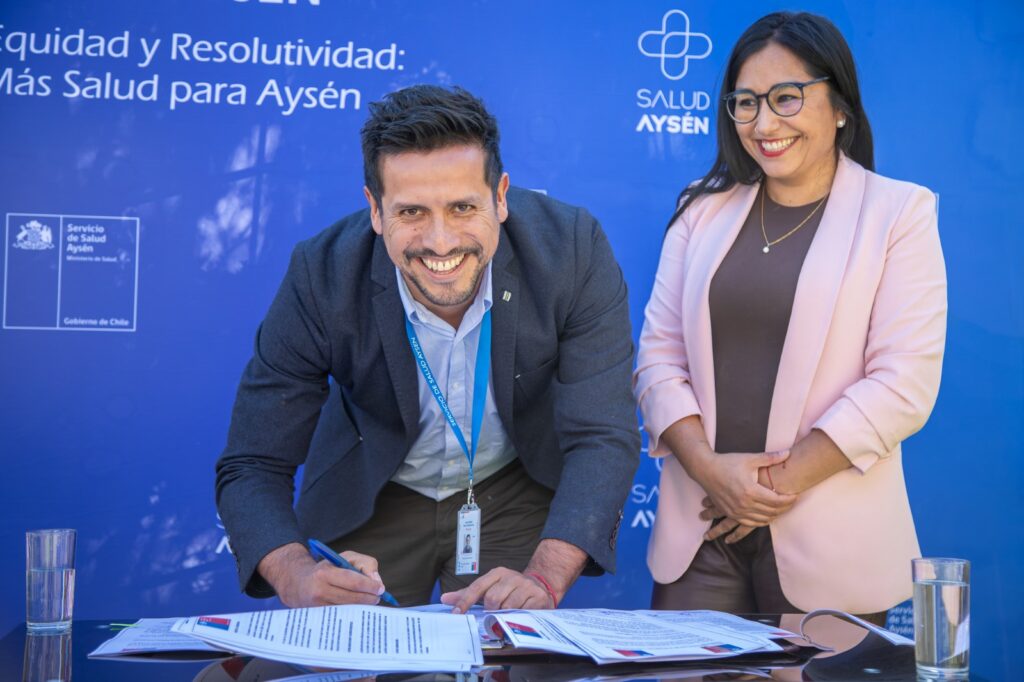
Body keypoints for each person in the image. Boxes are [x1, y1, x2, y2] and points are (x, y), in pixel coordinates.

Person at [216, 85, 639, 612]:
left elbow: (603, 435)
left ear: (501, 196)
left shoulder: (571, 249)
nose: (441, 242)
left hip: (512, 485)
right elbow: (253, 460)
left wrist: (545, 579)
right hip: (374, 492)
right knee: (347, 661)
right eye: (412, 212)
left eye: (463, 207)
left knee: (513, 657)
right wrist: (297, 574)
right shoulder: (321, 274)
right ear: (374, 210)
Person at [633, 11, 946, 621]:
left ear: (840, 107)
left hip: (832, 534)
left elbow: (903, 385)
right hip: (701, 528)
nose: (764, 123)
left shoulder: (899, 212)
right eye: (745, 103)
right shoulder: (700, 210)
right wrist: (709, 471)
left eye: (786, 97)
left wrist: (764, 490)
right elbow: (657, 358)